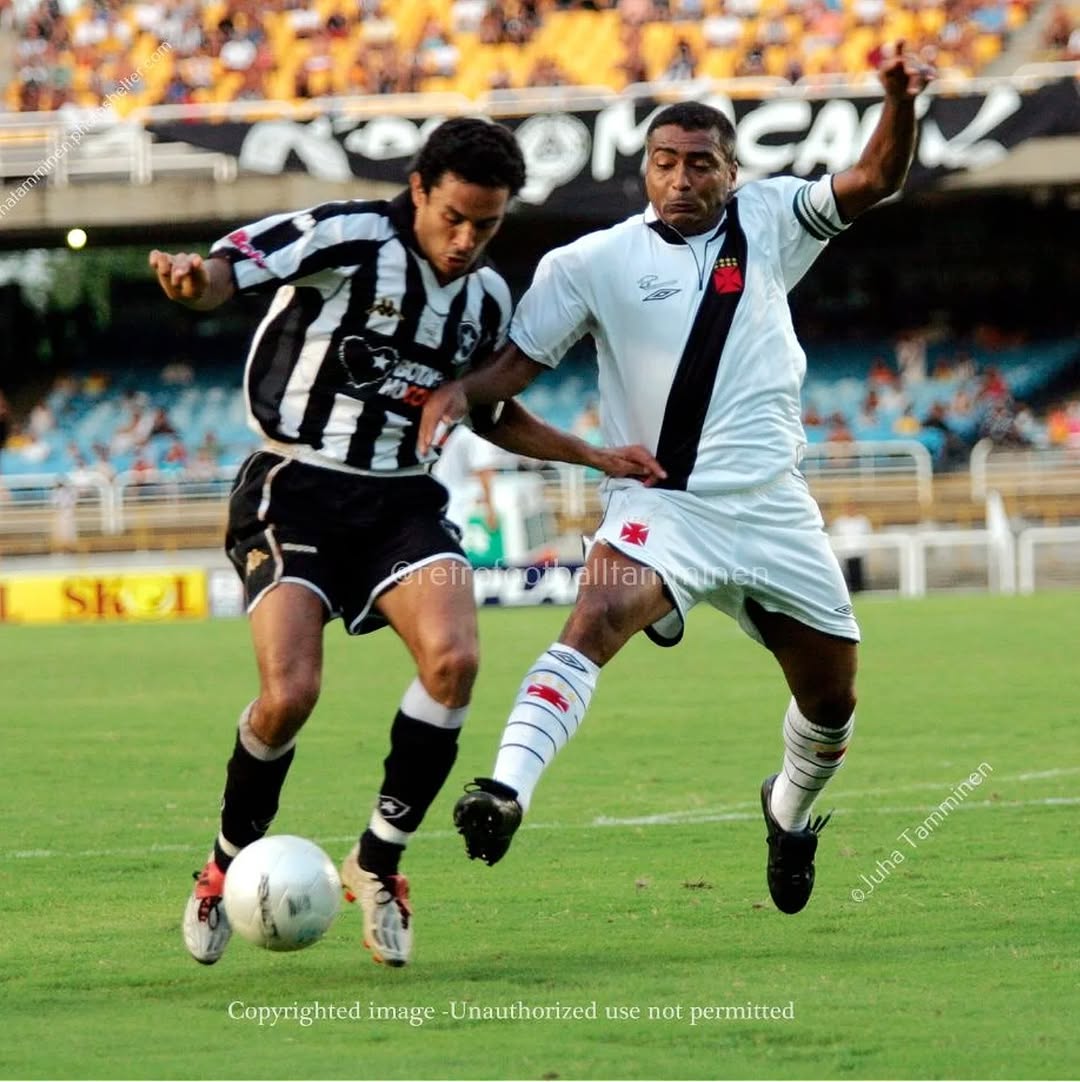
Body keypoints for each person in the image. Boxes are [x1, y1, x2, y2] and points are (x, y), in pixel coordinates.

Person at [418, 45, 933, 916]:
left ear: (733, 172)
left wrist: (898, 100)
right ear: (644, 170)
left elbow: (877, 177)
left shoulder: (772, 218)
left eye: (700, 164)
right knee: (594, 618)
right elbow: (511, 371)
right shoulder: (589, 263)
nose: (681, 179)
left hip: (772, 507)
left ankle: (787, 810)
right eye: (665, 163)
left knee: (832, 702)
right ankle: (504, 789)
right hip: (663, 504)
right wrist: (461, 393)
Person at [149, 118, 663, 969]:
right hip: (296, 488)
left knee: (455, 661)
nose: (466, 241)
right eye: (454, 217)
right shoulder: (348, 237)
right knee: (290, 695)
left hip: (401, 502)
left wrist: (594, 454)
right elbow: (226, 271)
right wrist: (191, 282)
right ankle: (225, 863)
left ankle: (378, 862)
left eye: (487, 225)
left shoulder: (487, 297)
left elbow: (487, 411)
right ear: (419, 189)